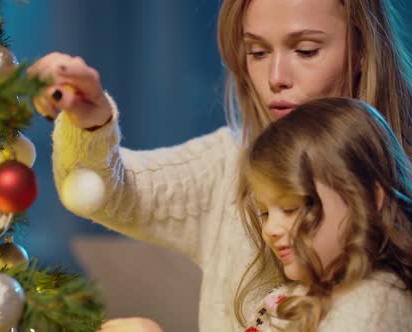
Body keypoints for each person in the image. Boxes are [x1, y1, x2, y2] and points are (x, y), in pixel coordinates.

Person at [27, 0, 412, 330]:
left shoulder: (377, 299)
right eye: (257, 52)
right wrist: (88, 120)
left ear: (362, 48)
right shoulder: (227, 163)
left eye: (306, 50)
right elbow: (100, 192)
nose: (275, 78)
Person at [236, 97, 412, 331]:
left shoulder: (372, 306)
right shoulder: (294, 296)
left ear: (369, 198)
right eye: (265, 213)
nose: (270, 229)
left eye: (290, 208)